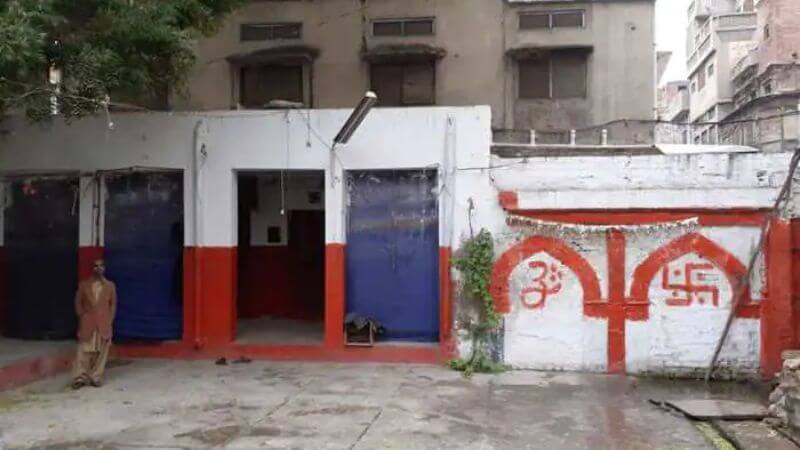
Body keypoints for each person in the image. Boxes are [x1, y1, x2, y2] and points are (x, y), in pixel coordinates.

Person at [72, 259, 117, 389]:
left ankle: (96, 377)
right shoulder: (84, 285)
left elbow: (113, 305)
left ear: (104, 268)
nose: (99, 268)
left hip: (103, 323)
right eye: (96, 266)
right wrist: (82, 315)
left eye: (101, 266)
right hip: (88, 322)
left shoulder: (110, 286)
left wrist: (109, 320)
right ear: (93, 268)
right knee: (83, 350)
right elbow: (78, 302)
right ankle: (80, 377)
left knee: (102, 351)